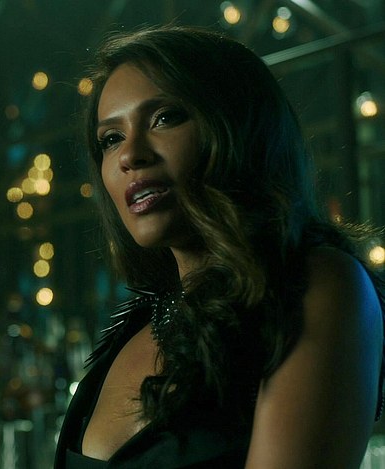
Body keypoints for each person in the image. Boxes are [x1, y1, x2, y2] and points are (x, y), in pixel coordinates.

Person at [55, 24, 385, 468]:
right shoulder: (140, 322)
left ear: (239, 128)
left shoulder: (315, 285)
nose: (130, 155)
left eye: (164, 117)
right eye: (111, 139)